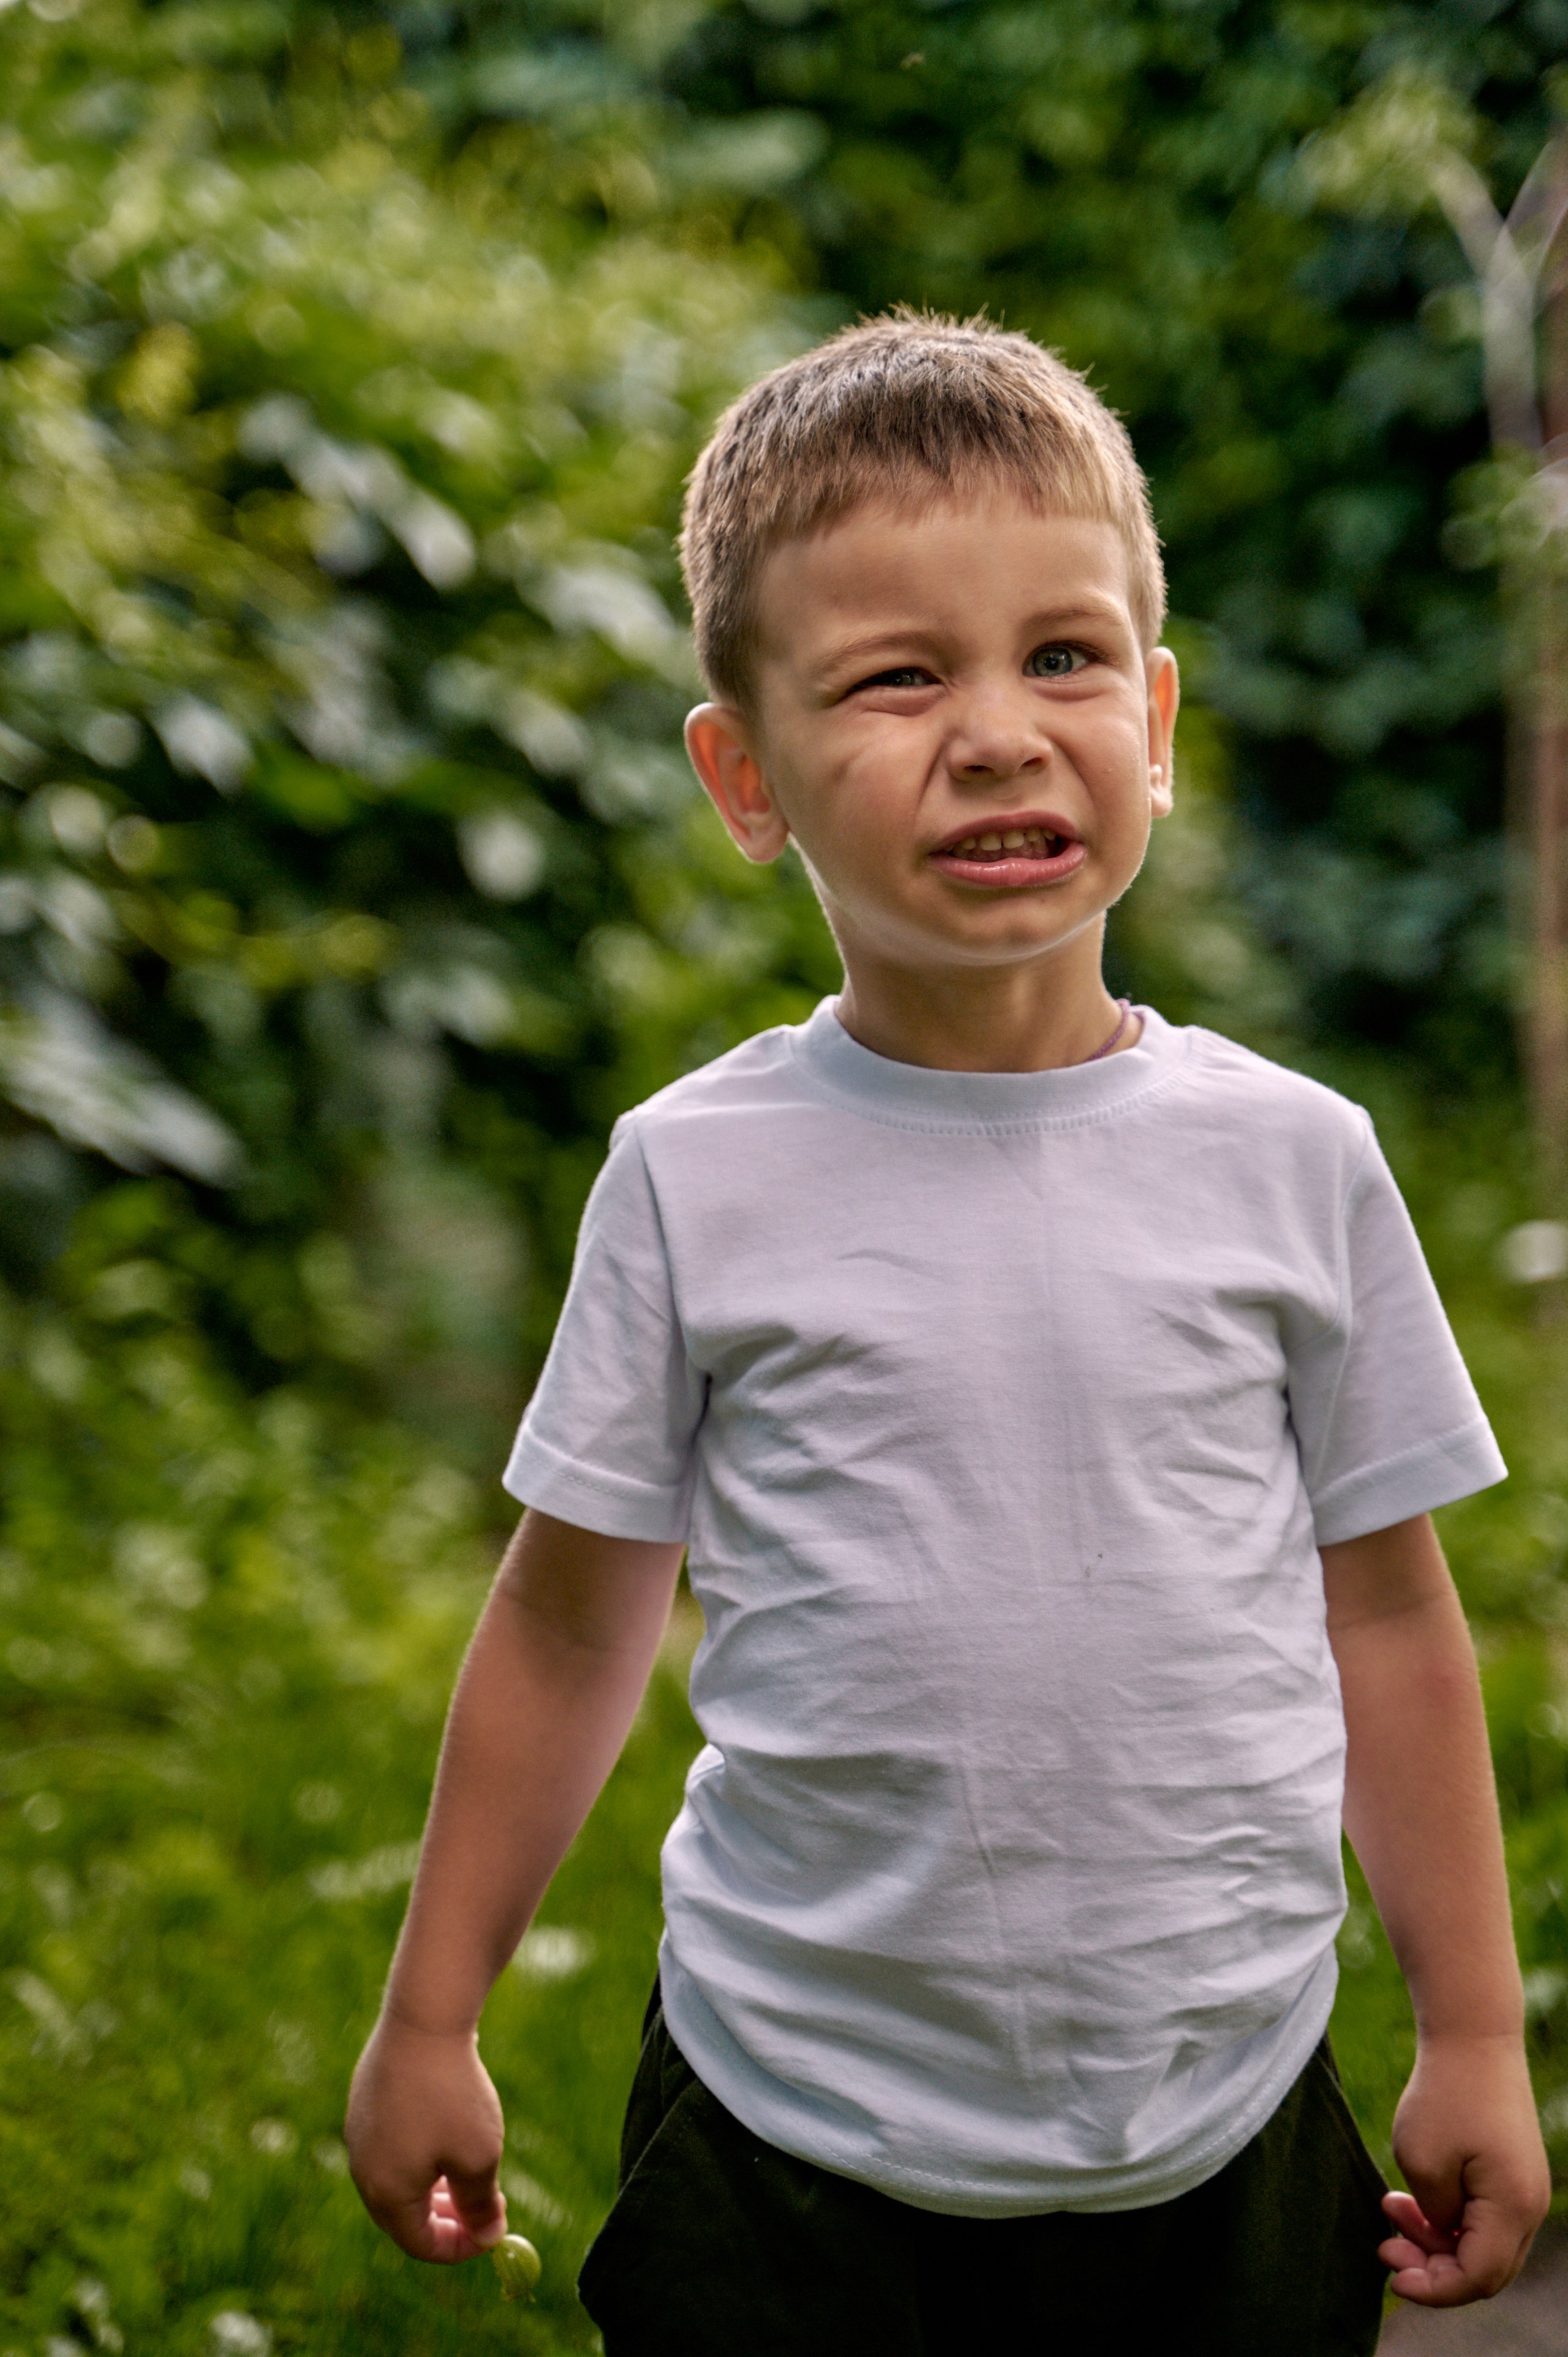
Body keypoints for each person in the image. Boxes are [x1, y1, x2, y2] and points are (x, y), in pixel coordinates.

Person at [344, 313, 1551, 2353]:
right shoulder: (694, 1175)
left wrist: (1480, 2034)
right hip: (784, 2125)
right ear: (749, 775)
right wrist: (430, 2010)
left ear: (1156, 719)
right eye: (898, 678)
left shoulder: (1296, 1161)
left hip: (1226, 2116)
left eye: (1063, 658)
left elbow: (1391, 1622)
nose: (997, 731)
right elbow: (568, 1621)